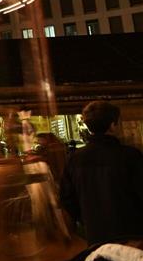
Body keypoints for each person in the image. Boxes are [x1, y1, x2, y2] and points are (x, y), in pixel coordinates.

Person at [59, 101, 143, 245]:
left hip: (95, 238)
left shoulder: (74, 160)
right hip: (133, 237)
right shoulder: (131, 156)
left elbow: (68, 202)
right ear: (113, 125)